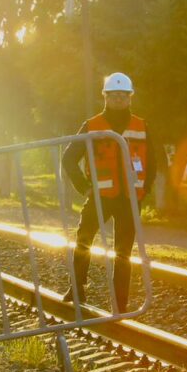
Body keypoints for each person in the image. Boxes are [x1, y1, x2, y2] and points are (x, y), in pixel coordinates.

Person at [61, 72, 158, 312]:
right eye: (112, 95)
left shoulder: (141, 125)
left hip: (129, 199)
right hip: (100, 198)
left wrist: (145, 189)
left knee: (123, 252)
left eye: (122, 96)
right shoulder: (92, 125)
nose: (117, 100)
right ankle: (77, 287)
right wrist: (84, 187)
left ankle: (120, 302)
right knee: (84, 238)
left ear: (129, 98)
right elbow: (69, 158)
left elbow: (155, 160)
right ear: (104, 96)